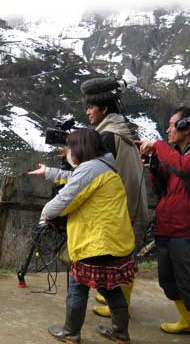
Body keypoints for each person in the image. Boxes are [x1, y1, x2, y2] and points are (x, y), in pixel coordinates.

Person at [29, 128, 136, 344]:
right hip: (115, 241)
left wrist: (45, 215)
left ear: (80, 148)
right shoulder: (104, 166)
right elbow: (73, 177)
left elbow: (64, 199)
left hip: (96, 242)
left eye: (70, 147)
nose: (68, 152)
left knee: (77, 287)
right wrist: (49, 172)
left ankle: (71, 333)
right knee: (111, 289)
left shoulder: (89, 169)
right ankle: (121, 333)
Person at [138, 106, 190, 344]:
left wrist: (159, 147)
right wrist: (153, 166)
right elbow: (163, 188)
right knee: (168, 281)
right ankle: (188, 321)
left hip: (186, 230)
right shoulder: (176, 155)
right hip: (166, 228)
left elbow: (185, 169)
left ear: (185, 128)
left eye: (172, 125)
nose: (169, 130)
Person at [80, 77, 149, 318]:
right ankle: (118, 303)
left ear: (105, 109)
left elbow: (95, 175)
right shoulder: (122, 130)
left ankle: (121, 310)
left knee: (119, 260)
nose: (88, 112)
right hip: (133, 203)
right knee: (124, 258)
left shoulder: (108, 136)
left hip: (122, 209)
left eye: (91, 107)